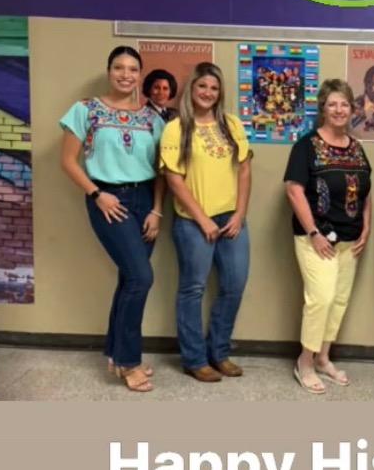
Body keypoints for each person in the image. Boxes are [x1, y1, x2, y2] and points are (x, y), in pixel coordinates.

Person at [59, 45, 164, 392]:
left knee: (129, 280)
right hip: (107, 198)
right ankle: (129, 360)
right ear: (109, 71)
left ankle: (115, 353)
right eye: (119, 68)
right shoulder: (85, 110)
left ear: (139, 75)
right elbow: (69, 161)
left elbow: (162, 170)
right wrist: (96, 194)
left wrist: (156, 210)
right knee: (141, 277)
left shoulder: (152, 118)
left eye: (133, 69)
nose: (125, 74)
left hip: (144, 200)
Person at [160, 63, 251, 382]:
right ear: (191, 89)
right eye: (202, 87)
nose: (208, 93)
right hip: (193, 222)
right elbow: (174, 179)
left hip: (231, 219)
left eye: (214, 88)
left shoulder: (232, 125)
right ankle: (194, 358)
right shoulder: (176, 128)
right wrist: (202, 219)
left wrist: (240, 213)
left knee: (234, 285)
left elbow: (244, 170)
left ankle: (219, 352)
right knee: (193, 289)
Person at [284, 78, 371, 393]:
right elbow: (293, 191)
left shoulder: (357, 147)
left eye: (344, 104)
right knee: (319, 299)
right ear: (323, 108)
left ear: (352, 109)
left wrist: (367, 227)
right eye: (333, 104)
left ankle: (323, 357)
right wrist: (314, 232)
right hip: (315, 240)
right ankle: (304, 362)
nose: (339, 109)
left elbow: (366, 192)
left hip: (350, 240)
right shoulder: (306, 146)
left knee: (338, 300)